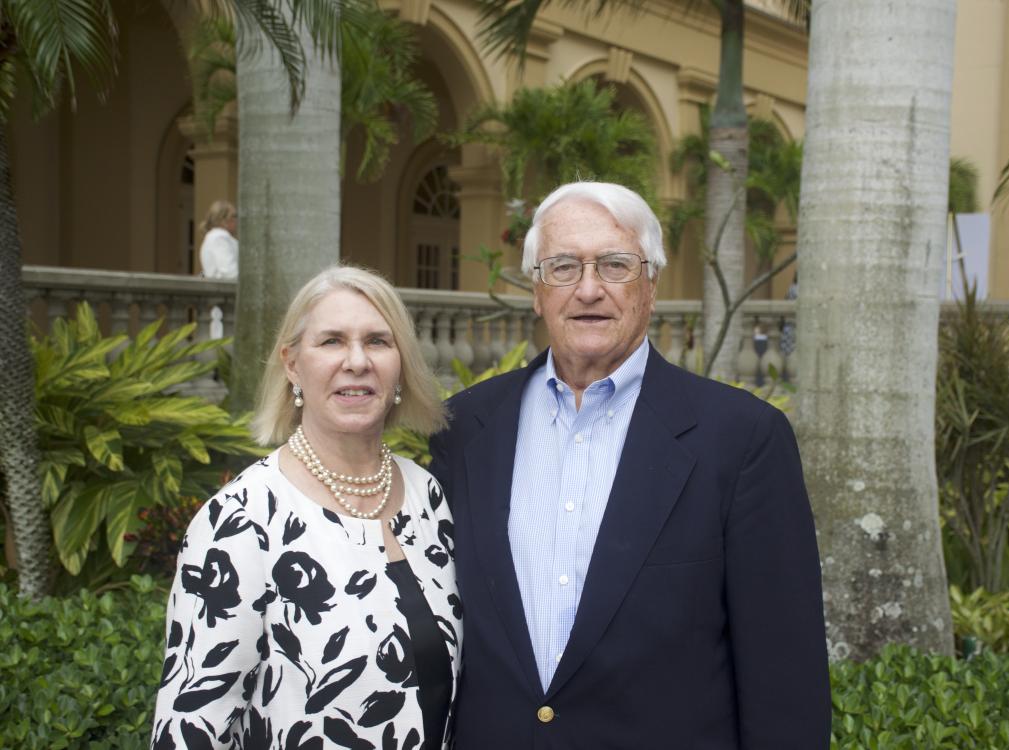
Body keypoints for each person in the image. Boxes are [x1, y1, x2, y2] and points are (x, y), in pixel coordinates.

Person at [429, 182, 830, 748]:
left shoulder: (741, 440)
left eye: (615, 265)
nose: (588, 289)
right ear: (537, 291)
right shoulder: (464, 429)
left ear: (651, 286)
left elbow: (784, 676)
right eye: (563, 267)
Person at [152, 266, 461, 749]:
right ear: (292, 364)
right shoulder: (241, 520)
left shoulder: (428, 495)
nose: (357, 361)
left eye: (378, 341)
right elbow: (192, 728)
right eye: (332, 341)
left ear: (400, 363)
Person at [198, 200, 239, 279]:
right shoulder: (219, 237)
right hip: (227, 289)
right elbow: (229, 272)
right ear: (223, 220)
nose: (236, 220)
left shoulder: (216, 236)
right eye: (234, 216)